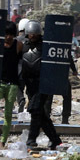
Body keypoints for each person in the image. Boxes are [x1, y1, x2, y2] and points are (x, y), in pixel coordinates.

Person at [21, 20, 62, 150]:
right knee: (39, 112)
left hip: (43, 83)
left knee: (34, 109)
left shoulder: (46, 46)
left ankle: (31, 139)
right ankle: (55, 139)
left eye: (35, 34)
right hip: (30, 83)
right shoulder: (23, 46)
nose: (32, 36)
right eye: (30, 34)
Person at [0, 21, 22, 148]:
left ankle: (3, 141)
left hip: (12, 84)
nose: (8, 37)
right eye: (6, 34)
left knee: (8, 114)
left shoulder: (18, 45)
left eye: (11, 34)